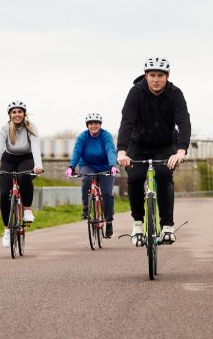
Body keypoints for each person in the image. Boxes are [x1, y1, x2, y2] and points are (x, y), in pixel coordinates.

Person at [116, 57, 191, 245]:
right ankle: (138, 223)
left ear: (167, 76)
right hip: (138, 143)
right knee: (135, 177)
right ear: (146, 76)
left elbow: (183, 122)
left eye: (160, 75)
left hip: (165, 145)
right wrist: (122, 151)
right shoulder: (135, 93)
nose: (156, 79)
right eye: (152, 75)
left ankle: (167, 226)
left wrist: (181, 150)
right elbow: (127, 122)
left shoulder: (175, 94)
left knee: (164, 175)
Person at [0, 101, 44, 247]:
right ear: (10, 115)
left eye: (20, 111)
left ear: (24, 114)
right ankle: (7, 229)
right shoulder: (5, 129)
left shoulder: (31, 127)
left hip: (27, 158)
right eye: (14, 112)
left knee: (24, 177)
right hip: (9, 159)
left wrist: (38, 165)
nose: (17, 114)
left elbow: (36, 147)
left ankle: (27, 210)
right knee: (5, 192)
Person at [66, 113, 119, 238]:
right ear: (87, 126)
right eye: (91, 123)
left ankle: (109, 221)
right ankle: (85, 208)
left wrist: (112, 165)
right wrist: (71, 167)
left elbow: (110, 150)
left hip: (106, 166)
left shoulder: (106, 136)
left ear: (100, 125)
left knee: (107, 193)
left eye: (96, 123)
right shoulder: (82, 137)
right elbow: (77, 152)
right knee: (86, 180)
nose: (93, 126)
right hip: (87, 165)